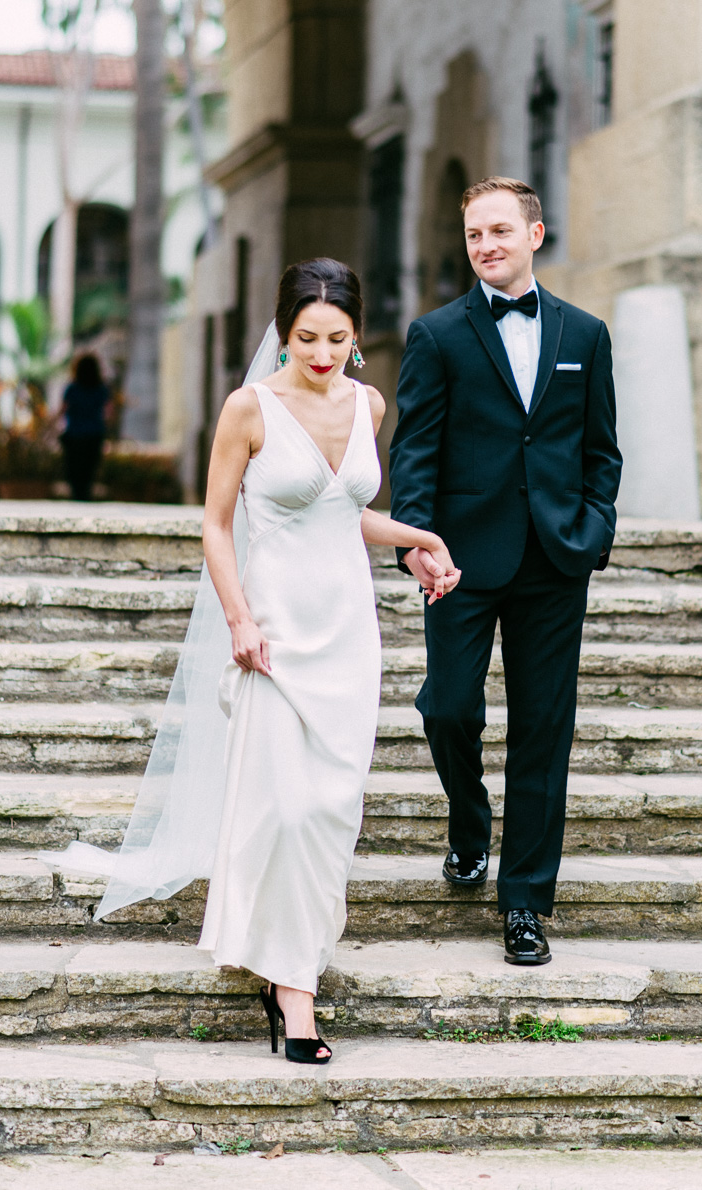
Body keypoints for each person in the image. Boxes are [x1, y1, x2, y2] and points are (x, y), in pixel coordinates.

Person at [197, 258, 460, 1063]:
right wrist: (239, 619)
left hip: (347, 634)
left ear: (357, 336)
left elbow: (346, 512)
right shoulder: (249, 408)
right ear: (284, 333)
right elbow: (215, 525)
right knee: (284, 809)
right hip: (273, 632)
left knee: (330, 813)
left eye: (337, 339)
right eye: (307, 338)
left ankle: (295, 961)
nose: (321, 354)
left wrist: (419, 537)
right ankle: (294, 993)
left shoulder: (367, 403)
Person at [388, 178, 621, 968]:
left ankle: (525, 902)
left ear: (534, 234)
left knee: (543, 732)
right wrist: (415, 539)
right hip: (457, 557)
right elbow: (414, 447)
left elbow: (601, 450)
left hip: (555, 559)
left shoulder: (586, 334)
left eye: (499, 231)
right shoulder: (436, 335)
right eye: (473, 235)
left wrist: (593, 531)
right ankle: (469, 821)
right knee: (449, 708)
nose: (485, 245)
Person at [61, 353, 110, 501]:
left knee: (74, 470)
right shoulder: (101, 389)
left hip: (74, 435)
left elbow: (63, 410)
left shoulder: (72, 389)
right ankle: (85, 496)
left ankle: (77, 496)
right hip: (94, 434)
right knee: (89, 469)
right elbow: (109, 413)